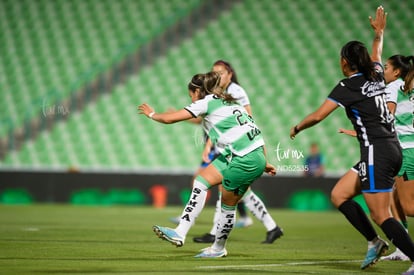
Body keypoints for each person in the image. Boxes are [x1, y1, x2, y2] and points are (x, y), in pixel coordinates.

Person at [289, 6, 414, 274]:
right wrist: (379, 34)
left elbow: (318, 116)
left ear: (345, 62)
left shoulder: (347, 86)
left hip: (376, 153)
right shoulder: (377, 75)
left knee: (382, 215)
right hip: (391, 149)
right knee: (339, 194)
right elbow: (378, 54)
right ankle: (374, 242)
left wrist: (298, 127)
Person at [138, 71, 276, 258]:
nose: (192, 100)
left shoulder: (205, 103)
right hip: (244, 154)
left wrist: (151, 114)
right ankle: (180, 231)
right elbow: (255, 132)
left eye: (191, 95)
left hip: (244, 159)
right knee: (201, 181)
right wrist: (264, 161)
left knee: (227, 205)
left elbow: (170, 119)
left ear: (197, 91)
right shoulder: (231, 104)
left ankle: (218, 248)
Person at [192, 60, 283, 244]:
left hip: (238, 148)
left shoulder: (236, 92)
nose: (217, 76)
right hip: (228, 147)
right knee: (240, 192)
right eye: (214, 73)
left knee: (226, 189)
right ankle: (272, 227)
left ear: (230, 74)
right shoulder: (220, 94)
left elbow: (247, 120)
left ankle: (215, 232)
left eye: (221, 73)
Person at [380, 56, 414, 261]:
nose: (383, 71)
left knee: (408, 206)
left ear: (396, 72)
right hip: (405, 148)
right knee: (394, 200)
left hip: (405, 150)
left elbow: (388, 116)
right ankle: (403, 248)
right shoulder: (407, 89)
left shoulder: (394, 87)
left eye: (386, 67)